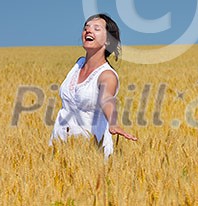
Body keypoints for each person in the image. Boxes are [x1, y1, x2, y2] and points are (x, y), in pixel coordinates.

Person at [49, 13, 137, 157]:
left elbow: (107, 99)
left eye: (96, 28)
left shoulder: (107, 75)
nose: (88, 31)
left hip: (90, 151)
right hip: (60, 144)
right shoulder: (78, 64)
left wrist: (113, 123)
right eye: (86, 28)